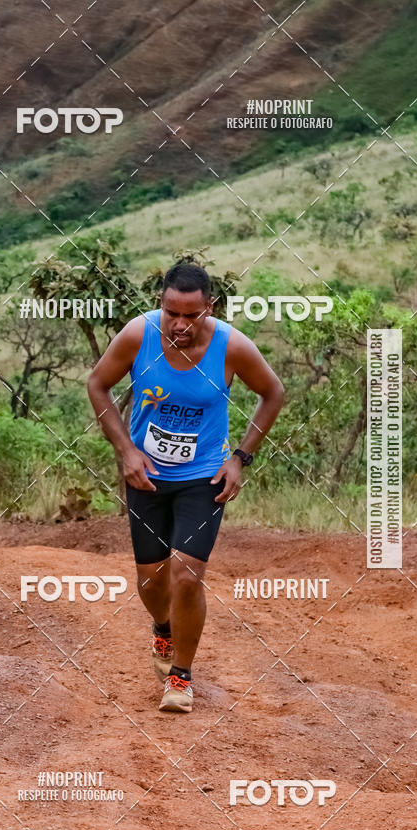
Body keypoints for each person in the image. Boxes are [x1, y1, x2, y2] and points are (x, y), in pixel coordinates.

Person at [87, 262, 284, 712]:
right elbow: (97, 385)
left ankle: (181, 677)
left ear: (208, 308)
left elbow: (273, 392)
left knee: (187, 575)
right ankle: (162, 627)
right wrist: (126, 452)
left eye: (190, 315)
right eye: (171, 312)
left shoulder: (231, 346)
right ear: (161, 304)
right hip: (147, 478)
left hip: (204, 478)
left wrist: (241, 457)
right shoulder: (139, 335)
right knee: (152, 582)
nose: (179, 324)